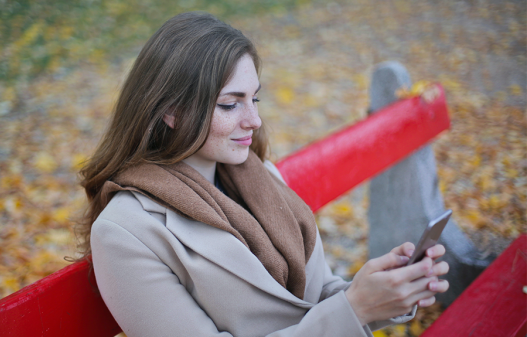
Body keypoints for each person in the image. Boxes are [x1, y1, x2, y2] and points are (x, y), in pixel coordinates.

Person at [77, 12, 449, 337]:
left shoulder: (260, 177)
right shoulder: (125, 232)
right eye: (229, 103)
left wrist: (388, 290)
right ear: (171, 112)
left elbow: (315, 299)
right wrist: (356, 308)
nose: (253, 120)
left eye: (254, 99)